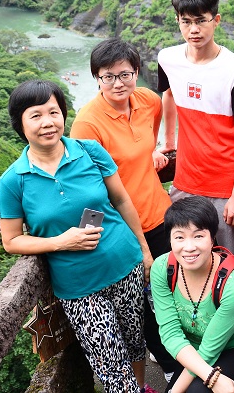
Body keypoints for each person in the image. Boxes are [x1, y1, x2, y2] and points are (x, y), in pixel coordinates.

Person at [0, 80, 154, 392]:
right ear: (20, 124)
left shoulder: (89, 151)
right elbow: (11, 241)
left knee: (135, 342)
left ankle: (141, 387)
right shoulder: (13, 181)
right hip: (79, 287)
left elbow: (121, 200)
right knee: (111, 369)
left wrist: (145, 251)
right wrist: (61, 242)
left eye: (53, 112)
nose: (47, 122)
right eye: (36, 115)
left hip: (126, 264)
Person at [70, 38, 175, 383]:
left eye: (125, 74)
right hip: (124, 228)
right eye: (108, 76)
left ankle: (182, 356)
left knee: (172, 292)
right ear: (97, 78)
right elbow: (87, 189)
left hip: (160, 214)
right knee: (143, 304)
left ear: (136, 72)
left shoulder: (147, 100)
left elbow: (150, 134)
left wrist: (154, 151)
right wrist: (92, 237)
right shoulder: (87, 124)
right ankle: (172, 368)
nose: (118, 83)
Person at [157, 0, 234, 264]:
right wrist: (168, 142)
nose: (194, 29)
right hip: (185, 181)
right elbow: (168, 95)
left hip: (224, 187)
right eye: (186, 21)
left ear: (216, 20)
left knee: (228, 260)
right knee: (185, 257)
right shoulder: (168, 59)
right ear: (177, 21)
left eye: (201, 20)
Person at [151, 196, 234, 393]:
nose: (189, 247)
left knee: (196, 391)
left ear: (213, 238)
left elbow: (209, 349)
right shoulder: (163, 268)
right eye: (179, 237)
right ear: (170, 239)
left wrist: (184, 387)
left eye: (198, 236)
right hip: (195, 348)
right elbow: (170, 333)